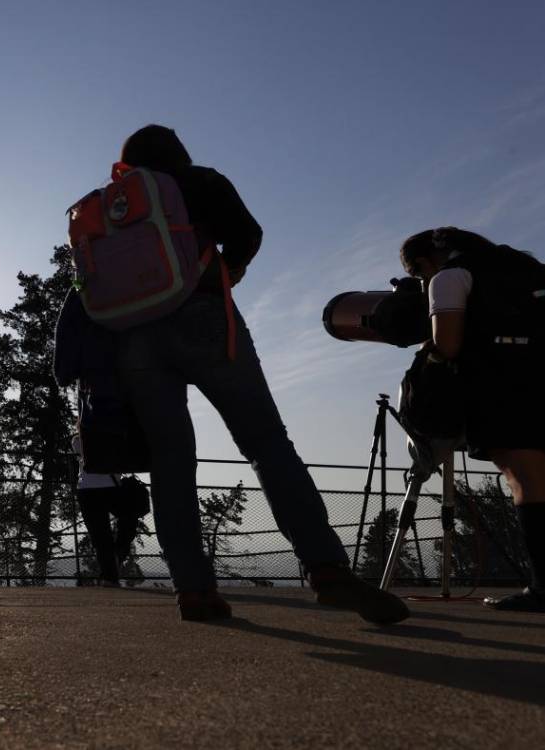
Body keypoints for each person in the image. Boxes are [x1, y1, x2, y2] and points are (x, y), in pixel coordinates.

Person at [107, 125, 408, 623]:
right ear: (178, 154)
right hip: (202, 313)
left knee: (170, 462)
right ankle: (325, 568)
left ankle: (194, 591)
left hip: (133, 336)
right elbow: (247, 235)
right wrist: (229, 271)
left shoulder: (111, 206)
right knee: (266, 443)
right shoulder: (199, 180)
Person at [400, 227, 545, 613]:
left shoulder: (450, 277)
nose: (422, 282)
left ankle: (543, 588)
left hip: (504, 384)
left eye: (418, 275)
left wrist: (427, 350)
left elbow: (448, 344)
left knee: (526, 481)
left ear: (428, 261)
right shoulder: (524, 267)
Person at [73, 434, 148, 587]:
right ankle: (119, 552)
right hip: (113, 487)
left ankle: (109, 576)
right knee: (128, 519)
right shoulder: (116, 437)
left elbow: (80, 448)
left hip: (87, 490)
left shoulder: (77, 440)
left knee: (100, 536)